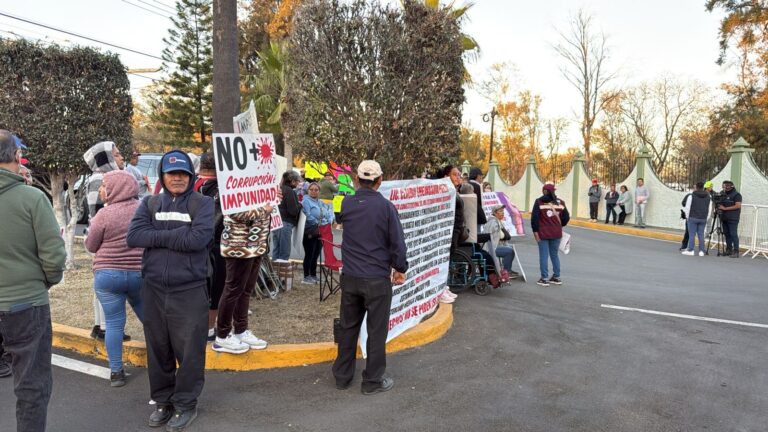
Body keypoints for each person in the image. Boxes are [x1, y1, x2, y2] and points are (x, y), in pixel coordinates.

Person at [126, 150, 214, 431]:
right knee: (158, 348)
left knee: (189, 352)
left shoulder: (203, 203)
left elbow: (198, 239)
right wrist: (177, 235)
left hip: (189, 290)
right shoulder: (150, 203)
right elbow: (134, 236)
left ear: (191, 175)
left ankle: (186, 403)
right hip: (153, 288)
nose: (177, 178)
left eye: (183, 174)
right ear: (162, 176)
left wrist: (156, 237)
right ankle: (163, 400)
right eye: (171, 173)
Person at [0, 130, 66, 432]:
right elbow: (54, 257)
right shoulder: (32, 198)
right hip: (25, 304)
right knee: (31, 387)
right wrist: (44, 283)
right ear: (16, 156)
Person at [332, 160, 408, 395]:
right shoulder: (386, 207)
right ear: (379, 181)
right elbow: (397, 243)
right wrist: (400, 268)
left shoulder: (346, 203)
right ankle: (372, 381)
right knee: (376, 331)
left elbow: (339, 218)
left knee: (348, 327)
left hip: (351, 276)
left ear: (357, 179)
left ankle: (342, 377)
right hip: (376, 278)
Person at [83, 170, 144, 387]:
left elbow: (91, 245)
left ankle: (116, 372)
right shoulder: (143, 209)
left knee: (114, 324)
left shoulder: (104, 214)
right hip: (139, 274)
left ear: (116, 188)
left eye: (104, 185)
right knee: (152, 320)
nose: (101, 189)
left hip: (108, 276)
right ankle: (165, 362)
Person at [212, 189, 276, 354]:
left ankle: (241, 330)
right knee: (233, 290)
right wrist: (264, 210)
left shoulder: (259, 183)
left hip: (257, 244)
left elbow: (269, 204)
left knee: (245, 290)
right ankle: (222, 335)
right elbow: (234, 211)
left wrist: (274, 197)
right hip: (238, 244)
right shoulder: (231, 184)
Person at [83, 141, 125, 341]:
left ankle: (100, 326)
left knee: (101, 284)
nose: (121, 158)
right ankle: (106, 328)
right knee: (108, 286)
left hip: (101, 239)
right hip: (102, 240)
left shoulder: (104, 177)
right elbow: (98, 214)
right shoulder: (100, 179)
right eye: (116, 155)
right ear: (105, 159)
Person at [195, 153, 226, 341]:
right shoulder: (225, 188)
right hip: (217, 244)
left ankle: (196, 326)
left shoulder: (187, 183)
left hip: (189, 245)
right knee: (216, 288)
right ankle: (208, 328)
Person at [531, 183, 570, 287]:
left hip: (543, 233)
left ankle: (544, 278)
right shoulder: (561, 202)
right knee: (554, 255)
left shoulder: (539, 202)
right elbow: (566, 217)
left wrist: (535, 232)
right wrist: (559, 225)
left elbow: (534, 219)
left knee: (544, 256)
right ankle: (556, 277)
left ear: (544, 191)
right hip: (556, 233)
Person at [485, 205, 519, 283]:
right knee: (509, 251)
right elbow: (498, 236)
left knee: (511, 248)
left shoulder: (498, 221)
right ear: (495, 213)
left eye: (503, 211)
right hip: (491, 248)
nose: (502, 213)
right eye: (500, 211)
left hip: (496, 245)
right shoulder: (493, 223)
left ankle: (507, 269)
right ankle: (506, 271)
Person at [301, 182, 326, 283]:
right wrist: (317, 222)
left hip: (319, 231)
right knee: (309, 254)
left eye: (316, 190)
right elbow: (307, 215)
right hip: (310, 231)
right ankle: (306, 276)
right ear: (308, 190)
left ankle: (313, 275)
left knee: (316, 254)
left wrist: (324, 221)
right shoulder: (306, 201)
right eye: (311, 189)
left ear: (319, 191)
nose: (313, 191)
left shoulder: (320, 202)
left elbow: (325, 213)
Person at [273, 171, 301, 261]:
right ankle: (281, 269)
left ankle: (274, 269)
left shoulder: (279, 189)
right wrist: (299, 206)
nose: (298, 183)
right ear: (292, 181)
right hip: (285, 223)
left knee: (276, 250)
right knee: (284, 253)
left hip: (276, 222)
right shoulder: (289, 191)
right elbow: (293, 211)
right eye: (297, 181)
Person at [681, 182, 711, 257]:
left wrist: (687, 217)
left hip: (692, 217)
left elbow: (688, 207)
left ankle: (690, 250)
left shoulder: (691, 196)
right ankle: (701, 251)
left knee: (692, 234)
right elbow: (709, 208)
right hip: (703, 218)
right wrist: (707, 217)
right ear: (703, 187)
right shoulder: (708, 196)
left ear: (696, 187)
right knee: (701, 234)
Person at [718, 180, 742, 258]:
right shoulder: (722, 193)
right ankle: (729, 250)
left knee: (733, 234)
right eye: (724, 186)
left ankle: (736, 251)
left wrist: (725, 208)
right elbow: (719, 203)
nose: (725, 187)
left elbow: (738, 206)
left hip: (733, 218)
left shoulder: (737, 195)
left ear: (731, 186)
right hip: (724, 217)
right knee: (726, 234)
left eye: (727, 186)